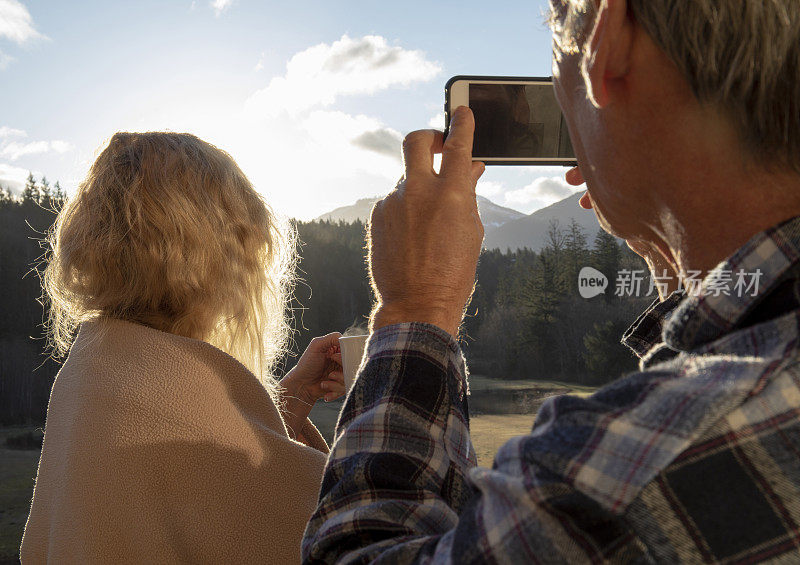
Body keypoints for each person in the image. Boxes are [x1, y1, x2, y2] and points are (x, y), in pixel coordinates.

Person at [303, 0, 800, 562]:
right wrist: (678, 260)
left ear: (601, 39)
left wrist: (418, 308)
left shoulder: (629, 479)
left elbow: (354, 553)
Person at [21, 132, 345, 564]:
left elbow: (200, 488)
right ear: (226, 255)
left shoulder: (97, 367)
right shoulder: (164, 397)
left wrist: (294, 398)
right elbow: (348, 535)